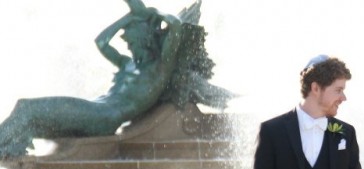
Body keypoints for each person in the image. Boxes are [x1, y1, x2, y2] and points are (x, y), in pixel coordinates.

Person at [0, 0, 232, 159]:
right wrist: (127, 18)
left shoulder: (159, 68)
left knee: (26, 109)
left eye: (132, 41)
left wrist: (153, 13)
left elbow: (176, 27)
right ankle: (10, 148)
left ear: (147, 39)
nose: (129, 45)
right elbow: (101, 42)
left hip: (104, 117)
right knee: (26, 117)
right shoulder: (127, 64)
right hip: (95, 111)